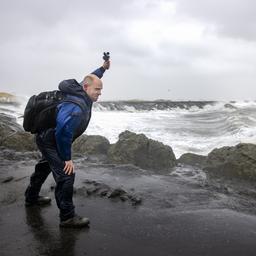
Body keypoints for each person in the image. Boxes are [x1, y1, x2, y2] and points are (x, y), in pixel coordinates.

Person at [25, 59, 110, 228]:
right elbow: (63, 132)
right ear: (86, 88)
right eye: (97, 90)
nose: (100, 93)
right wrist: (66, 158)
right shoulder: (75, 108)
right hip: (51, 140)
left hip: (46, 137)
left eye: (100, 90)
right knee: (66, 174)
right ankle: (67, 217)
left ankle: (31, 198)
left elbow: (90, 78)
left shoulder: (80, 90)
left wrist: (102, 69)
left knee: (45, 165)